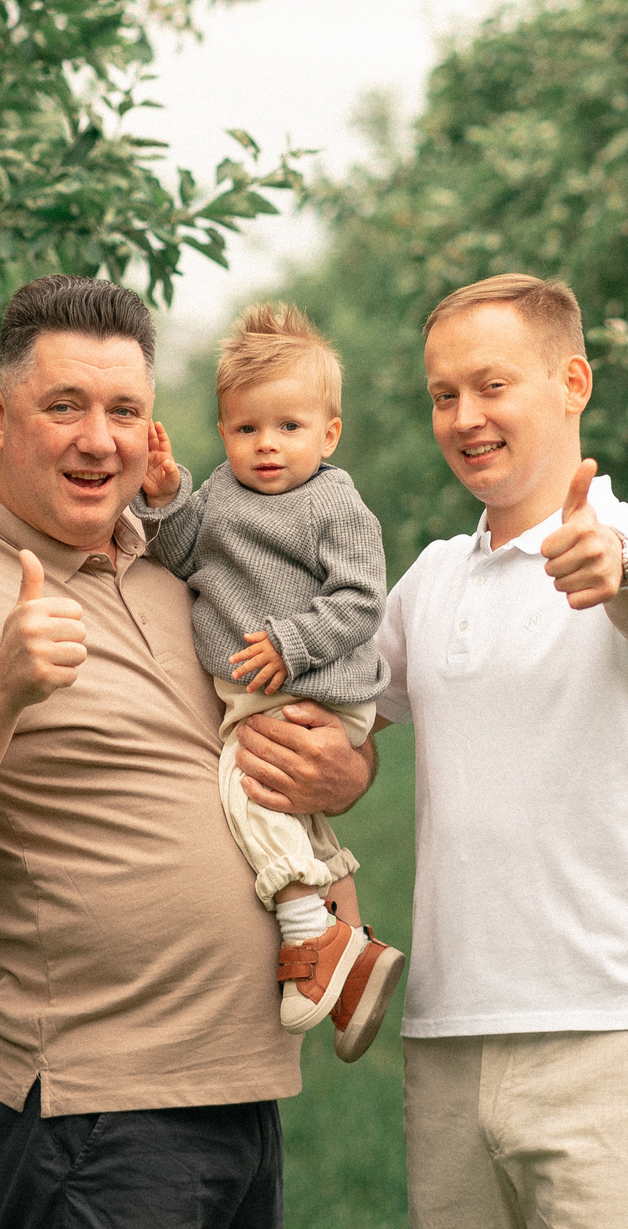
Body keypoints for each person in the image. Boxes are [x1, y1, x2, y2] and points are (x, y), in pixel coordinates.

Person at [0, 274, 376, 1229]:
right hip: (96, 1114)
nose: (100, 439)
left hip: (236, 1089)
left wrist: (350, 768)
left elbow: (278, 717)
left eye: (125, 408)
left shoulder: (178, 561)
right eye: (66, 406)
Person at [372, 272, 628, 1228]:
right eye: (443, 394)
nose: (464, 417)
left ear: (573, 383)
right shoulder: (431, 577)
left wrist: (619, 567)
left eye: (491, 385)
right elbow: (339, 725)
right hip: (447, 1044)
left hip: (614, 1042)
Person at [132, 301, 405, 1059]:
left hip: (315, 682)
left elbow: (358, 599)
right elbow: (185, 553)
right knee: (293, 809)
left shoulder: (334, 503)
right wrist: (164, 496)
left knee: (246, 785)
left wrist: (290, 643)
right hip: (268, 685)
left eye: (289, 427)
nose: (268, 446)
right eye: (247, 428)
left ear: (329, 432)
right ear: (223, 432)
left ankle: (304, 926)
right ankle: (354, 959)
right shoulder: (220, 491)